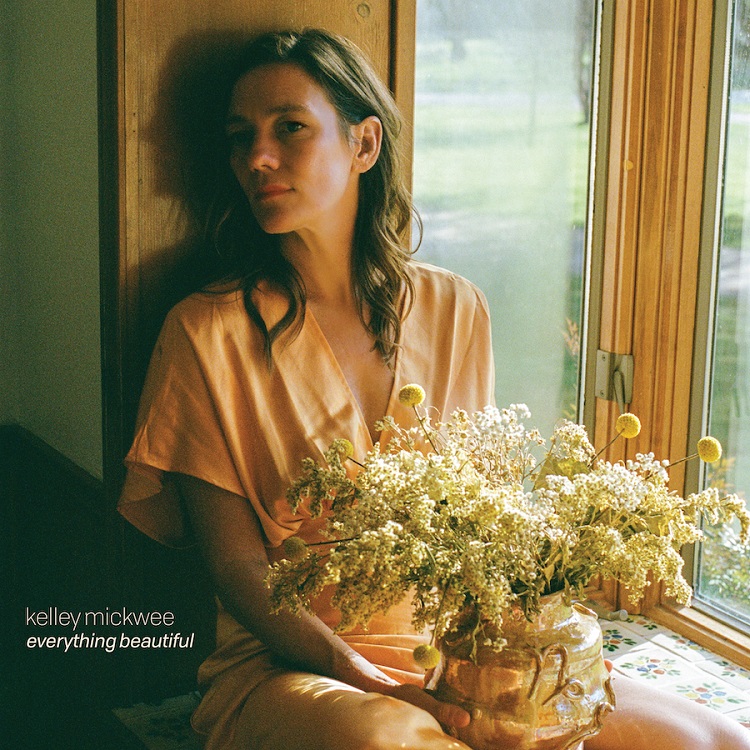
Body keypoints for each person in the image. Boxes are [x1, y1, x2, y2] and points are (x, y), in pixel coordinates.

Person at [118, 28, 750, 750]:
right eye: (241, 138)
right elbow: (236, 566)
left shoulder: (455, 309)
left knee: (714, 741)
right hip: (295, 667)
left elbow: (484, 528)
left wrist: (531, 646)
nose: (257, 157)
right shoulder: (206, 333)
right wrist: (365, 676)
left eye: (289, 127)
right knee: (402, 744)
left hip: (460, 646)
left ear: (364, 144)